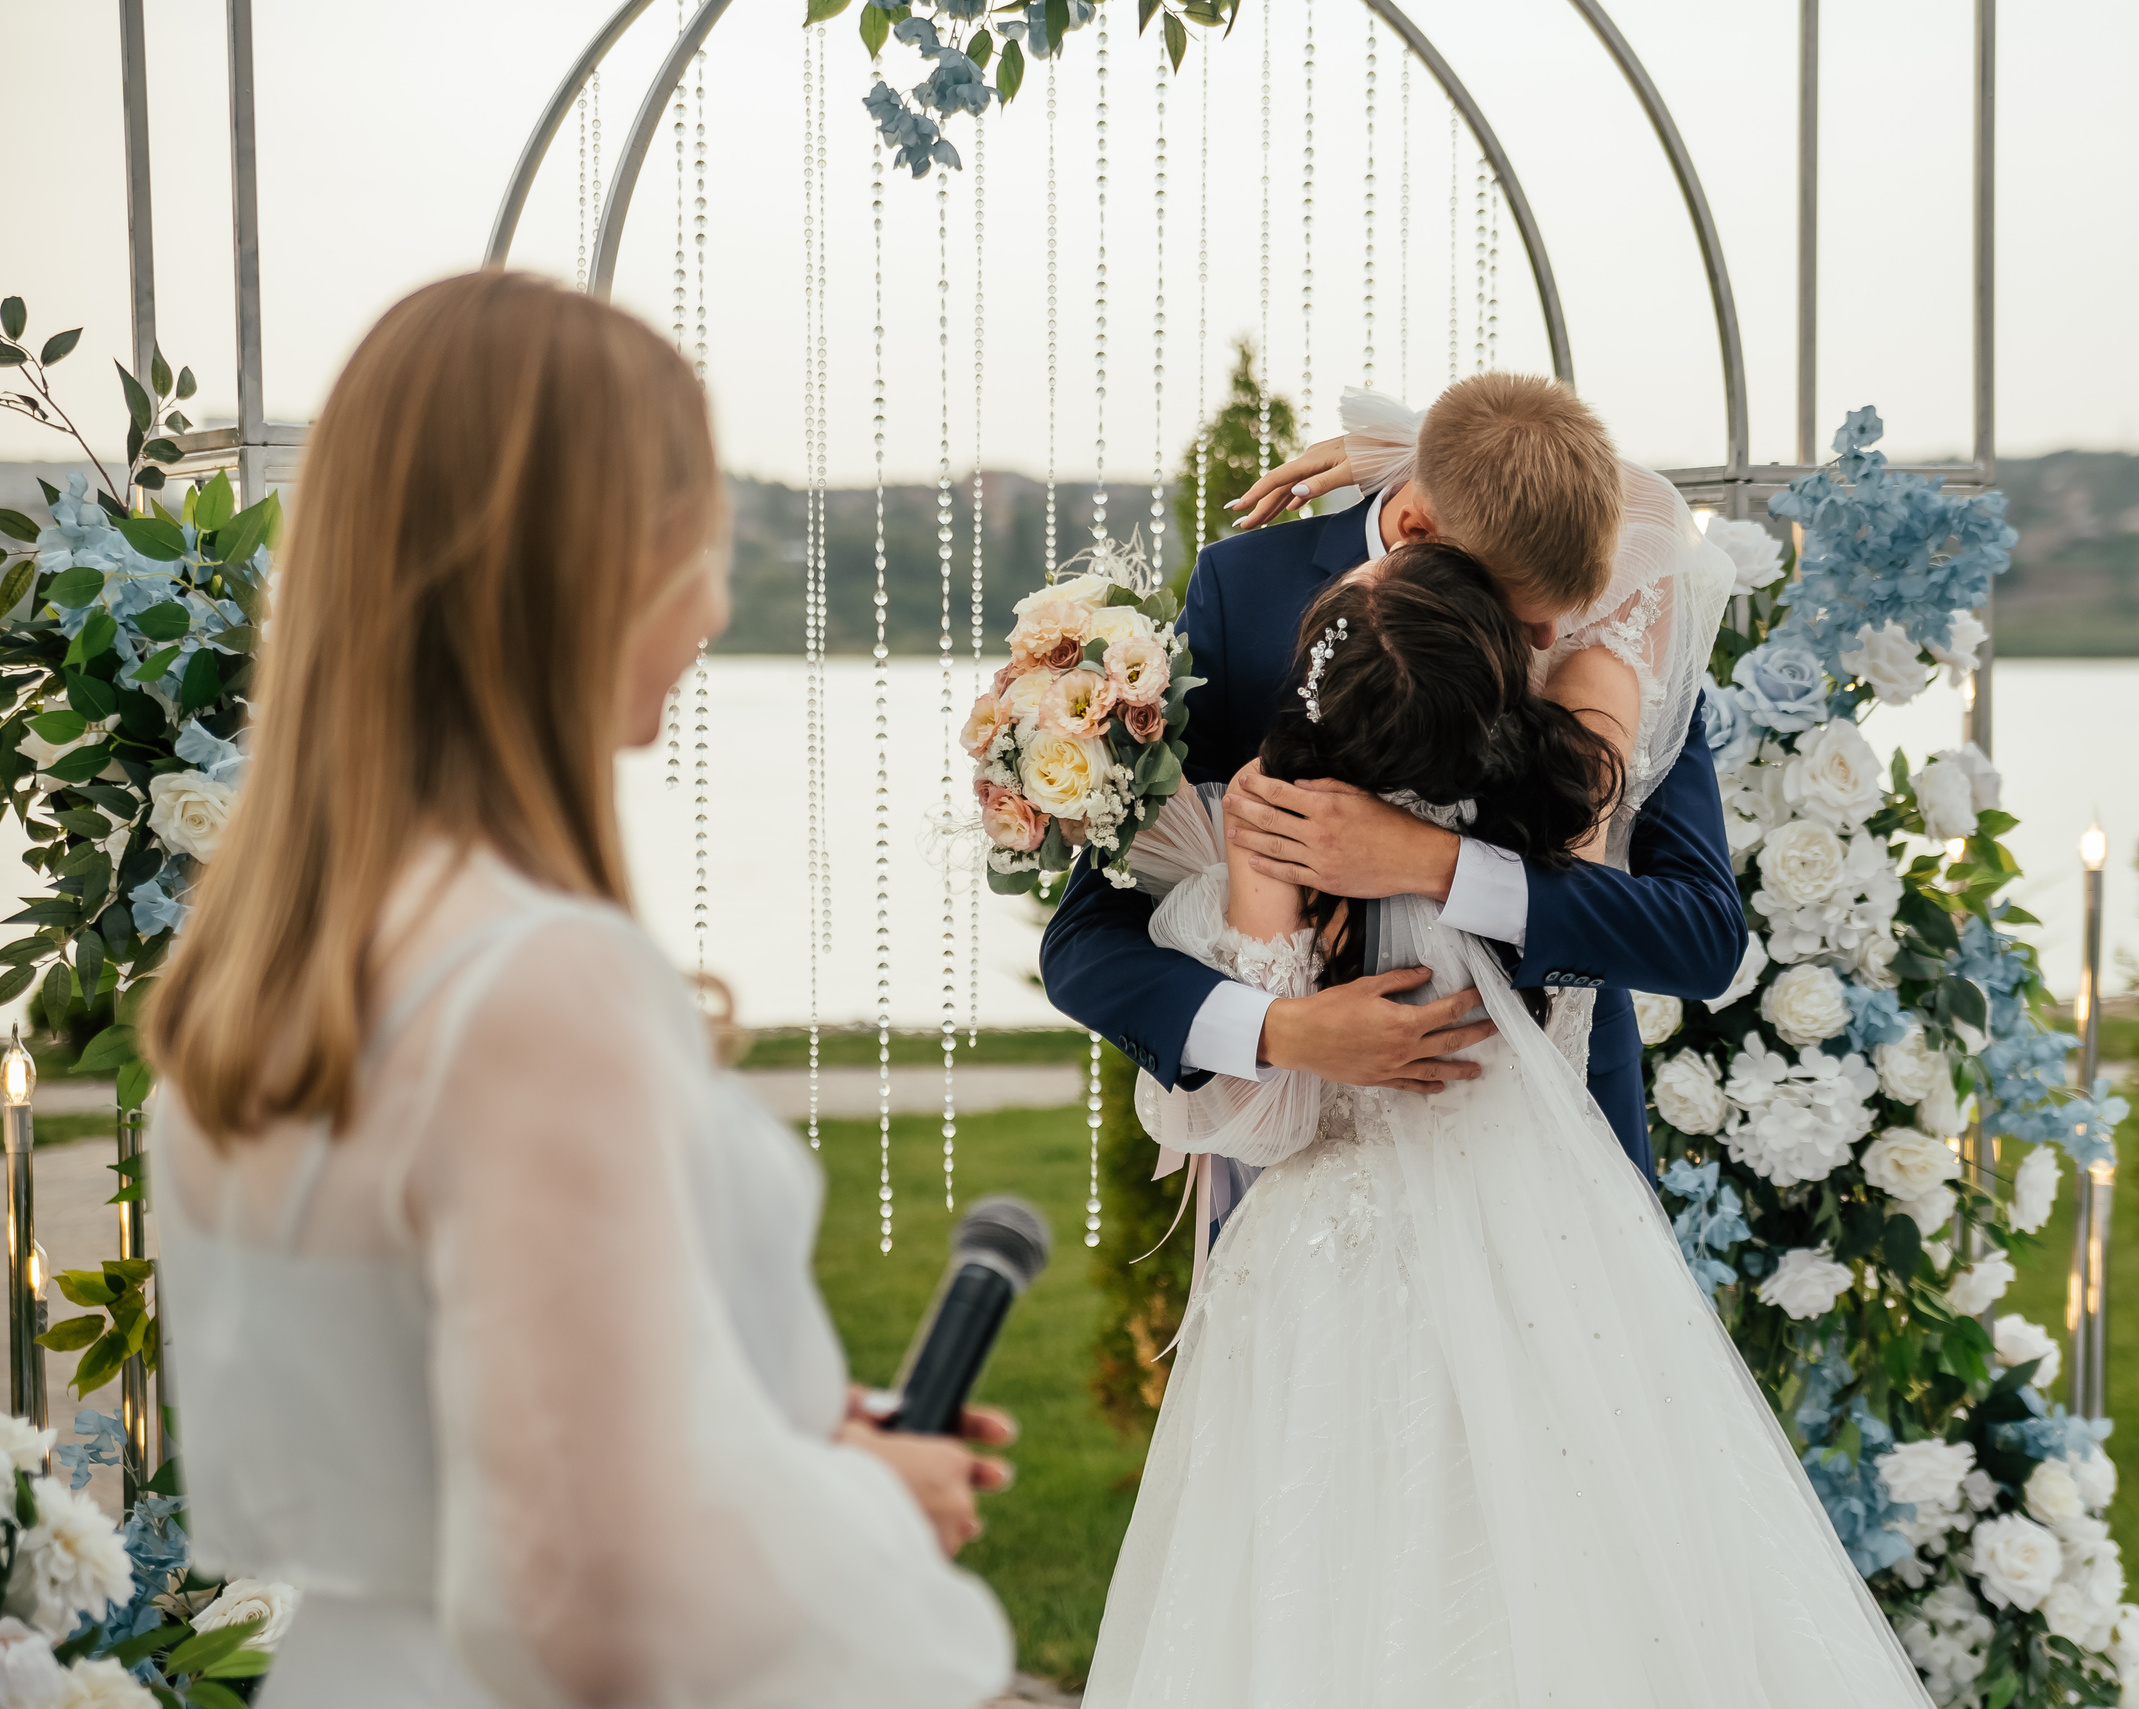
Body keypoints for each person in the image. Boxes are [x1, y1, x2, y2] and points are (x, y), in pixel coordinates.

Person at [142, 271, 1014, 1709]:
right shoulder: (534, 983)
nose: (713, 602)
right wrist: (871, 1507)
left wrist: (789, 1447)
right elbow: (596, 1601)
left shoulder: (277, 951)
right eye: (696, 545)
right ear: (591, 567)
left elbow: (464, 1418)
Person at [1080, 544, 1933, 1706]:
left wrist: (1288, 1028)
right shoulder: (1568, 799)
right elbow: (1652, 557)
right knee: (1589, 1580)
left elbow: (1268, 1125)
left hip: (1333, 1268)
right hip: (1561, 1247)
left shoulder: (1272, 838)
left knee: (1325, 1592)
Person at [1040, 376, 1748, 1184]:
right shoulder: (1246, 595)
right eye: (1521, 616)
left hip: (1567, 1166)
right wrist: (1280, 1030)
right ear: (1415, 527)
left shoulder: (1618, 610)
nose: (1552, 637)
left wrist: (1436, 864)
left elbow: (1702, 937)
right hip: (1320, 1183)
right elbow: (1087, 939)